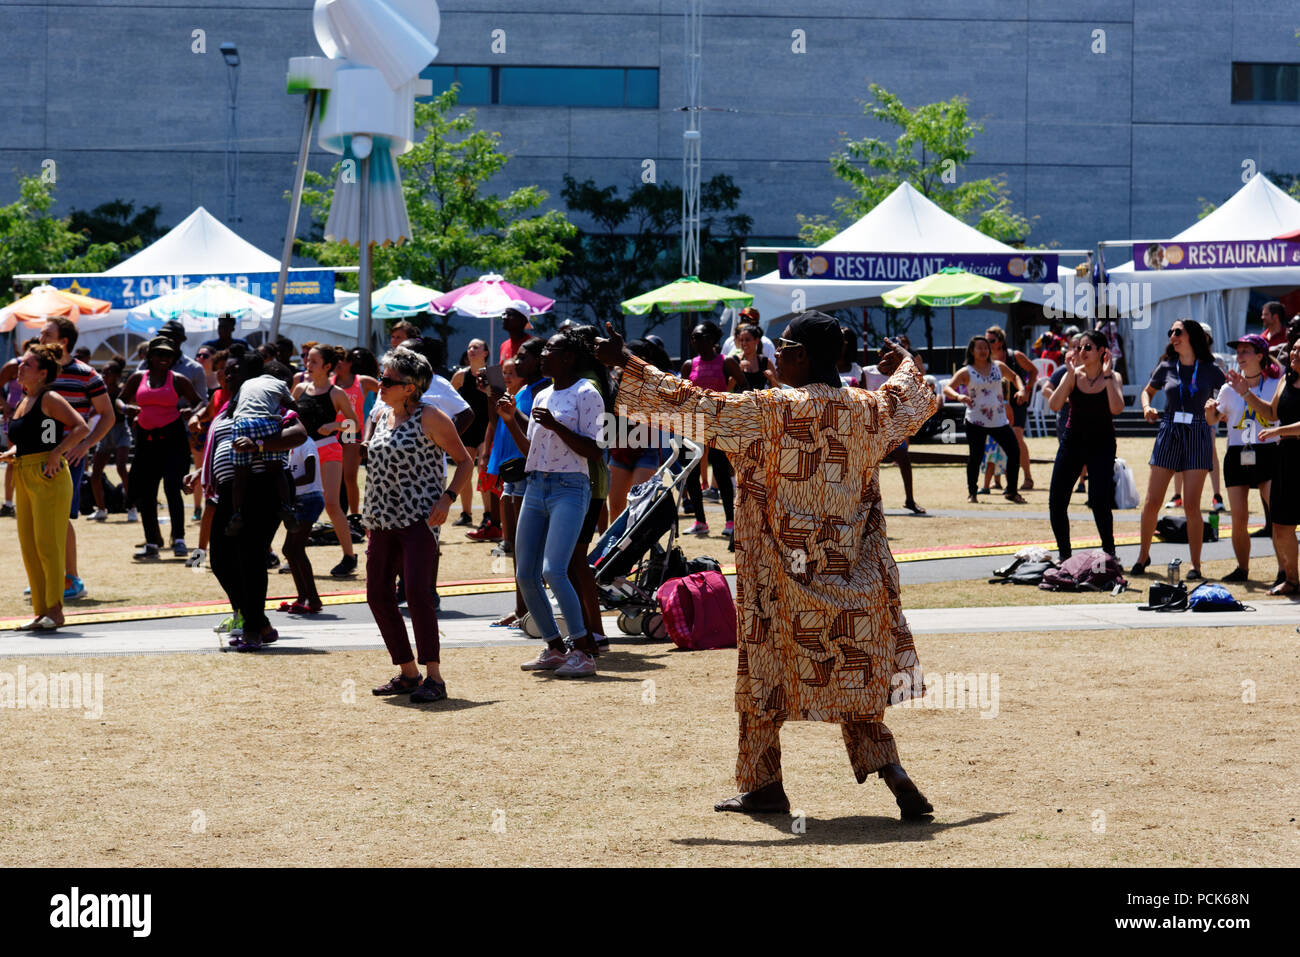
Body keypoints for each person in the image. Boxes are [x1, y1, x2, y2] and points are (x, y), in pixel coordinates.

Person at [597, 312, 938, 819]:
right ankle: (893, 771)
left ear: (800, 355)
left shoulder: (771, 411)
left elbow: (696, 408)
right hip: (853, 578)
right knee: (851, 681)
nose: (777, 356)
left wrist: (626, 364)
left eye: (783, 347)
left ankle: (763, 785)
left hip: (778, 581)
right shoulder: (867, 409)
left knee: (761, 681)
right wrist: (906, 365)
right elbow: (911, 396)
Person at [366, 348, 474, 702]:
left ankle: (435, 678)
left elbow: (464, 461)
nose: (380, 384)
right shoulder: (382, 413)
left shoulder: (432, 417)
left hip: (419, 519)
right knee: (378, 596)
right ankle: (408, 672)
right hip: (381, 518)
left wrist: (448, 498)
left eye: (387, 380)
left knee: (416, 594)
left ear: (409, 387)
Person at [192, 352, 309, 650]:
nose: (227, 376)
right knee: (219, 559)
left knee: (250, 557)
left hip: (263, 487)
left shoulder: (272, 404)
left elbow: (298, 434)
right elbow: (219, 448)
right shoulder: (224, 412)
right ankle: (258, 622)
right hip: (229, 493)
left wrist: (259, 444)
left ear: (254, 375)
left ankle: (254, 630)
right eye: (224, 371)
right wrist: (199, 473)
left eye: (234, 370)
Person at [510, 332, 606, 678]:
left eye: (551, 349)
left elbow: (596, 451)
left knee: (554, 569)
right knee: (525, 574)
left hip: (570, 486)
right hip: (536, 485)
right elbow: (531, 450)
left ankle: (583, 649)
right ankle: (554, 646)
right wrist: (511, 419)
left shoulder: (586, 394)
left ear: (568, 357)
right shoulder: (544, 393)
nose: (543, 354)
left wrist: (555, 426)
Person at [0, 344, 90, 630]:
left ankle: (56, 610)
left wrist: (56, 453)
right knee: (29, 546)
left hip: (48, 475)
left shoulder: (50, 397)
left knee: (48, 545)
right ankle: (41, 612)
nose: (19, 368)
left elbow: (80, 427)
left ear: (42, 373)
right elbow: (35, 436)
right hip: (24, 473)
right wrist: (14, 452)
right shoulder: (24, 400)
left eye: (26, 365)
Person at [1129, 319, 1226, 579]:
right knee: (1152, 502)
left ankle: (1196, 565)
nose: (1172, 335)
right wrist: (1147, 406)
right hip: (1169, 429)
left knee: (1192, 506)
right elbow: (1146, 392)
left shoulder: (1211, 369)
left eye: (1178, 332)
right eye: (1170, 331)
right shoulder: (1166, 366)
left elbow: (1226, 400)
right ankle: (1142, 557)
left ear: (1192, 337)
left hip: (1198, 432)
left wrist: (1216, 413)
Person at [40, 318, 116, 600]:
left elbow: (108, 416)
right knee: (43, 518)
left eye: (46, 333)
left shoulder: (86, 374)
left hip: (68, 456)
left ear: (63, 341)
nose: (40, 336)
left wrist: (84, 446)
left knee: (60, 518)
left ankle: (71, 578)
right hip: (40, 455)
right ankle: (51, 576)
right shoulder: (40, 371)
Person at [1205, 334, 1282, 583]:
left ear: (1260, 356)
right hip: (1238, 452)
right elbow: (1214, 419)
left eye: (1245, 351)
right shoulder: (1228, 389)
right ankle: (1242, 569)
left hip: (1268, 451)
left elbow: (1272, 417)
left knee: (1278, 515)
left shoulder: (1275, 383)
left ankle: (1284, 570)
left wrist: (1246, 392)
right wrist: (1209, 412)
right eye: (1237, 352)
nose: (1239, 356)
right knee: (1239, 518)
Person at [121, 336, 203, 559]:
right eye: (160, 354)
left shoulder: (178, 380)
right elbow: (118, 399)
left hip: (173, 439)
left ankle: (179, 539)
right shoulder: (138, 378)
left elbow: (199, 401)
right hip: (146, 440)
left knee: (172, 487)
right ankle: (152, 543)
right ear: (150, 356)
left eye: (169, 355)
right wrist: (127, 408)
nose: (165, 358)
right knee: (147, 492)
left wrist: (191, 413)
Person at [1046, 330, 1125, 559]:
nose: (1082, 352)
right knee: (1057, 501)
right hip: (1073, 441)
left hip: (1102, 443)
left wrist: (1108, 375)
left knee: (1100, 501)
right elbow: (1054, 404)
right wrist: (1069, 376)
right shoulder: (1073, 374)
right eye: (1079, 347)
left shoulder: (1113, 377)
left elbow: (1116, 408)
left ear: (1102, 351)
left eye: (1088, 347)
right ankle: (1065, 555)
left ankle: (1109, 552)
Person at [486, 342, 548, 627]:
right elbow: (500, 424)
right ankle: (521, 607)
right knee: (512, 545)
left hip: (528, 471)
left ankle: (533, 609)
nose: (517, 362)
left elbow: (531, 431)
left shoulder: (541, 391)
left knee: (529, 548)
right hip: (512, 471)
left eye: (524, 357)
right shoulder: (523, 390)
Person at [292, 344, 361, 577]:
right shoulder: (300, 388)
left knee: (331, 503)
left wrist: (335, 425)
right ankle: (293, 553)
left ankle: (349, 556)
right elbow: (288, 417)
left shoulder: (336, 393)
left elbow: (354, 425)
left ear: (327, 366)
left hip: (328, 448)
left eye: (313, 361)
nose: (307, 365)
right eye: (307, 360)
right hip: (302, 451)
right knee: (297, 504)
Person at [943, 336, 1027, 504]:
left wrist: (1022, 390)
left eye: (985, 347)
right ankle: (972, 492)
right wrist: (959, 396)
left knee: (1014, 451)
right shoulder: (967, 371)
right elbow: (947, 388)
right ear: (972, 351)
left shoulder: (998, 367)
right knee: (976, 455)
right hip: (976, 420)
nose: (983, 350)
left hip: (999, 419)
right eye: (979, 347)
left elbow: (1015, 377)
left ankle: (1011, 491)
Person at [224, 362, 298, 537]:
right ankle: (286, 506)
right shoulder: (280, 384)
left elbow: (231, 410)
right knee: (276, 469)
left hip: (242, 424)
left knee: (240, 476)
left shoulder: (246, 383)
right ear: (282, 377)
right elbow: (293, 407)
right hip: (267, 422)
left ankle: (237, 513)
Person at [682, 322, 743, 537]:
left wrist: (729, 410)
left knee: (721, 473)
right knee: (690, 473)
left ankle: (730, 522)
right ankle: (700, 521)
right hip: (693, 425)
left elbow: (745, 387)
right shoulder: (689, 365)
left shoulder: (726, 362)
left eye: (698, 337)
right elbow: (683, 396)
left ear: (710, 339)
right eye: (692, 338)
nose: (694, 342)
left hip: (719, 425)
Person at [860, 334, 926, 514]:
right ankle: (864, 503)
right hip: (871, 427)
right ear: (881, 355)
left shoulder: (900, 376)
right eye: (887, 354)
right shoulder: (866, 372)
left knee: (904, 459)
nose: (890, 359)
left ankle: (910, 500)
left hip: (892, 428)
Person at [1254, 344, 1300, 594]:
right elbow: (1272, 413)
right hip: (1285, 458)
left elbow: (1278, 426)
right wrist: (1245, 394)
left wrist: (1278, 431)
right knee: (1281, 526)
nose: (1294, 354)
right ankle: (1292, 580)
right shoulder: (1284, 380)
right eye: (1293, 349)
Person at [277, 414, 326, 614]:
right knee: (290, 550)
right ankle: (304, 597)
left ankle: (311, 599)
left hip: (310, 500)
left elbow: (309, 474)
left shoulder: (307, 444)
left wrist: (286, 486)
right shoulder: (291, 447)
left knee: (295, 549)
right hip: (300, 501)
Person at [985, 326, 1038, 490]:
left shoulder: (1014, 356)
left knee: (1017, 437)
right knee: (997, 438)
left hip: (1017, 401)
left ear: (1000, 341)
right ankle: (997, 480)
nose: (988, 344)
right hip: (997, 403)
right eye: (986, 340)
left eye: (991, 341)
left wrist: (1027, 390)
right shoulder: (985, 359)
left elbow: (1033, 371)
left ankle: (1028, 477)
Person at [331, 347, 379, 518]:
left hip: (353, 430)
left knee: (350, 477)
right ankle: (338, 515)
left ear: (349, 363)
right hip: (333, 431)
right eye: (334, 361)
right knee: (334, 478)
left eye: (340, 361)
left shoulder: (363, 381)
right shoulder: (330, 382)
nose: (337, 364)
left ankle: (355, 516)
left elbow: (387, 389)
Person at [450, 339, 491, 528]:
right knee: (464, 470)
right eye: (469, 347)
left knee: (484, 470)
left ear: (485, 353)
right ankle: (466, 514)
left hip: (486, 428)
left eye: (476, 347)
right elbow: (447, 398)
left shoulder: (492, 375)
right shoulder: (460, 376)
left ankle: (488, 515)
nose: (471, 350)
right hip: (466, 428)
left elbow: (500, 399)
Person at [89, 355, 132, 522]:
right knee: (95, 474)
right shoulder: (101, 391)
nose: (103, 375)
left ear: (116, 375)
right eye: (103, 372)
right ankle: (101, 509)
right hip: (105, 432)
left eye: (107, 373)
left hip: (121, 431)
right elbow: (95, 410)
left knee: (122, 468)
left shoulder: (122, 391)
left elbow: (127, 407)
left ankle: (131, 507)